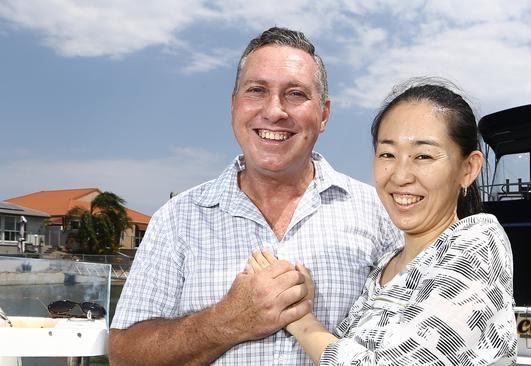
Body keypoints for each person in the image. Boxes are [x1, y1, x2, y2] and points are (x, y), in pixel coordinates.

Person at [108, 27, 401, 365]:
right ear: (234, 106)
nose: (275, 111)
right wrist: (228, 320)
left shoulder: (381, 215)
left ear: (323, 114)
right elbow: (123, 356)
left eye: (295, 94)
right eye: (257, 90)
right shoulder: (176, 219)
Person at [249, 77, 518, 365]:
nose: (400, 176)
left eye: (423, 156)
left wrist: (300, 319)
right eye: (387, 154)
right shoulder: (387, 264)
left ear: (468, 168)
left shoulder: (477, 244)